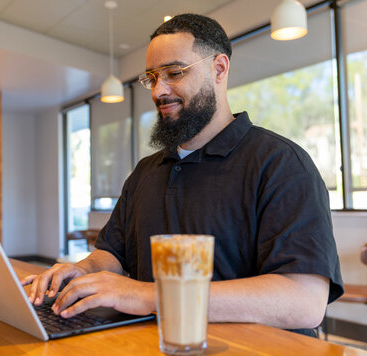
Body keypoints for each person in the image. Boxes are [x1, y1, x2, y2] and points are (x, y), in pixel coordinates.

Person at [21, 13, 343, 336]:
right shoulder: (145, 173)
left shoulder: (281, 165)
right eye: (151, 77)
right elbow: (113, 253)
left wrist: (148, 296)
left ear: (219, 69)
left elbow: (305, 299)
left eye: (174, 73)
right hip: (157, 345)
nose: (159, 91)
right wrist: (80, 272)